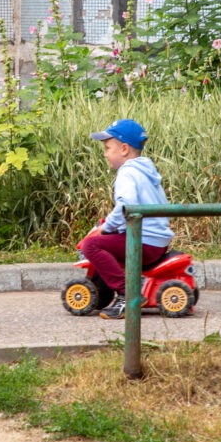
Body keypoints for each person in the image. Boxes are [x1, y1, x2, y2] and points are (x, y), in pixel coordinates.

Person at [80, 119, 175, 320]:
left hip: (143, 241)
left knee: (91, 245)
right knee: (107, 237)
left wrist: (106, 229)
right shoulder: (145, 171)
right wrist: (111, 223)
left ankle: (128, 293)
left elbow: (126, 205)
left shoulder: (127, 173)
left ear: (123, 149)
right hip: (155, 240)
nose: (105, 153)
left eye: (107, 148)